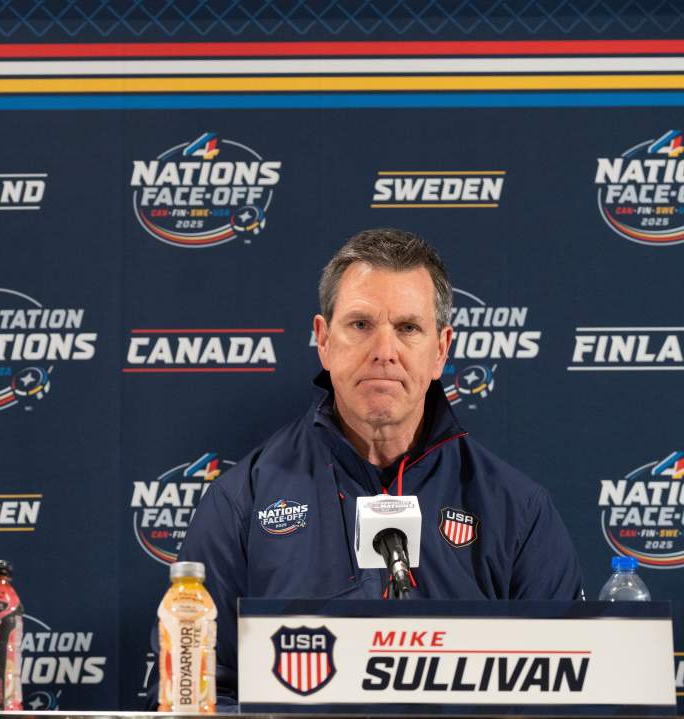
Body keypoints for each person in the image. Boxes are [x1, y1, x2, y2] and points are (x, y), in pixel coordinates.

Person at [174, 228, 584, 706]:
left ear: (441, 350)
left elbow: (566, 696)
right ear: (324, 340)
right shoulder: (241, 503)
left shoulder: (518, 511)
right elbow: (195, 694)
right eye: (361, 324)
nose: (384, 351)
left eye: (408, 328)